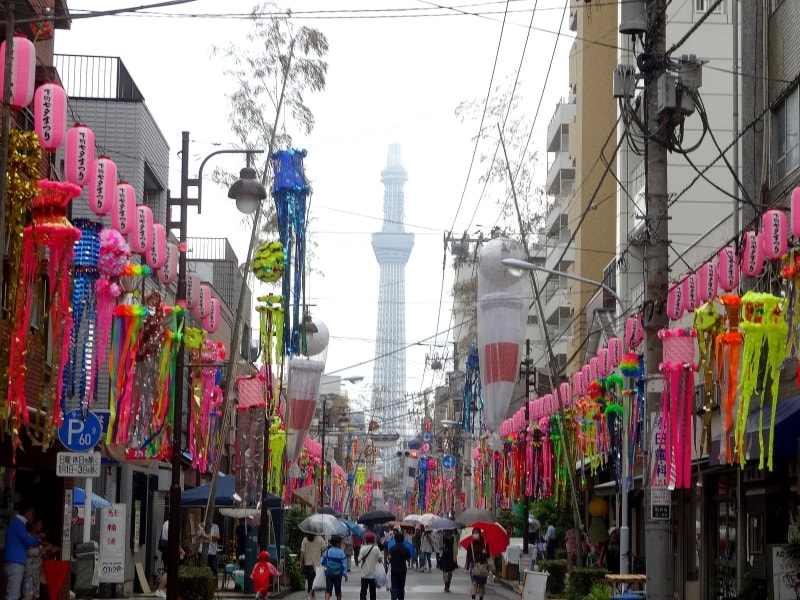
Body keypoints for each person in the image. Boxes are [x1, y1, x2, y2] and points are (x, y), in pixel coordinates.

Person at [4, 505, 44, 600]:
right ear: (29, 513)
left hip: (13, 562)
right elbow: (28, 541)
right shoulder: (19, 524)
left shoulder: (16, 524)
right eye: (33, 514)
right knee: (14, 594)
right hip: (15, 562)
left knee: (13, 592)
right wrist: (39, 537)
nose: (33, 518)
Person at [21, 517, 58, 600]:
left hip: (36, 573)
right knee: (27, 596)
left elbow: (41, 553)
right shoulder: (27, 536)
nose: (41, 525)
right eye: (39, 523)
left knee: (35, 596)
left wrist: (49, 549)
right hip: (28, 572)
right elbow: (29, 552)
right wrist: (44, 549)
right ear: (34, 524)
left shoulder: (39, 540)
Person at [154, 518, 185, 599]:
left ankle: (162, 589)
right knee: (168, 571)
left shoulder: (166, 523)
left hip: (166, 550)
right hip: (169, 550)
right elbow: (173, 539)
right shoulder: (171, 525)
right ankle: (160, 590)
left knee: (168, 570)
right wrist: (180, 549)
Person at [465, 527, 490, 600]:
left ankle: (481, 598)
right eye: (473, 533)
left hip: (483, 566)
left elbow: (488, 555)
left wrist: (485, 552)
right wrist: (467, 567)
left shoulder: (485, 544)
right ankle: (473, 598)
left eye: (476, 532)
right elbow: (468, 556)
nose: (475, 534)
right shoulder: (471, 545)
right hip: (474, 566)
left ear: (479, 534)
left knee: (482, 585)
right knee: (474, 583)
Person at [321, 535, 348, 600]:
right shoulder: (341, 552)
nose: (341, 543)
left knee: (328, 589)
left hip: (329, 573)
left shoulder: (327, 551)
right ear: (338, 543)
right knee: (338, 589)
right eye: (341, 542)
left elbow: (322, 561)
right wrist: (345, 574)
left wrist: (325, 564)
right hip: (338, 574)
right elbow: (344, 564)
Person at [300, 533, 326, 600]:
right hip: (317, 564)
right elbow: (324, 550)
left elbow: (302, 552)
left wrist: (301, 563)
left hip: (308, 563)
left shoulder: (305, 540)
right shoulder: (320, 539)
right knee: (315, 580)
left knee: (310, 580)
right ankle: (311, 594)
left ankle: (310, 594)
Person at [387, 532, 412, 600]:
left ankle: (394, 598)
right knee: (401, 586)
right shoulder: (406, 549)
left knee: (394, 586)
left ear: (395, 539)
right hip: (403, 570)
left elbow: (389, 557)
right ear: (403, 540)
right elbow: (408, 558)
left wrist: (390, 559)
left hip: (394, 569)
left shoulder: (392, 548)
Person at [358, 533, 380, 600]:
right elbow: (380, 559)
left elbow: (359, 559)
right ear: (373, 540)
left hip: (364, 574)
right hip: (373, 574)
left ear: (366, 540)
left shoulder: (363, 549)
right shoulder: (376, 549)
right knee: (373, 591)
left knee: (363, 591)